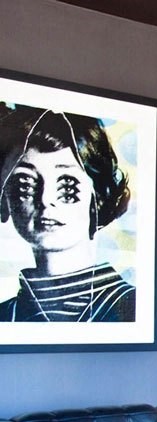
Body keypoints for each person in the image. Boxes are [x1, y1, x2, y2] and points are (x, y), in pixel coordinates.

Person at [0, 105, 134, 322]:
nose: (46, 200)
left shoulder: (131, 307)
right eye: (26, 184)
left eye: (67, 186)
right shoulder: (6, 315)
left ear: (98, 198)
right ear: (5, 198)